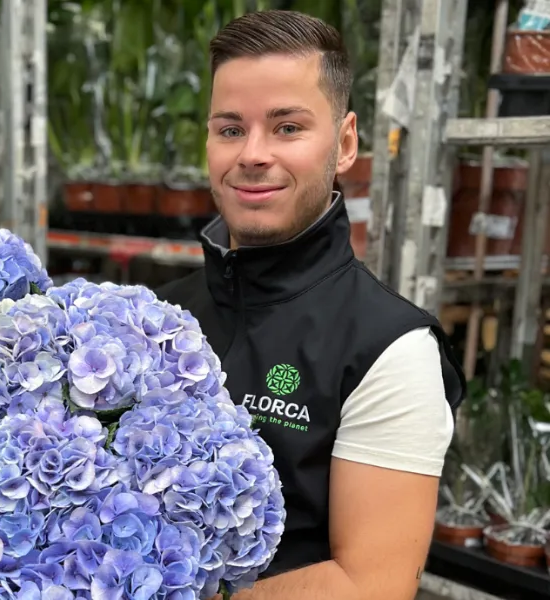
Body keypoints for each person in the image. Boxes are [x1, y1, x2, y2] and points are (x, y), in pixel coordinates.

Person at [155, 10, 466, 600]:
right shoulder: (157, 318)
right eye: (230, 129)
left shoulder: (389, 348)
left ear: (344, 143)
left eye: (287, 127)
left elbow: (370, 585)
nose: (253, 154)